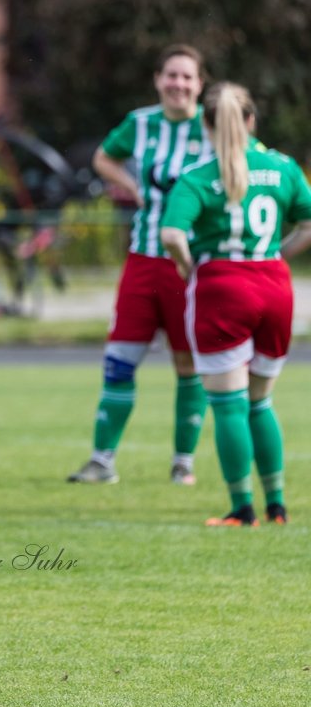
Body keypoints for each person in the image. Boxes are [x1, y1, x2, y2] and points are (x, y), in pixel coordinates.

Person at [160, 83, 311, 526]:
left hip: (222, 286)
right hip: (274, 285)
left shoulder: (198, 175)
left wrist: (186, 264)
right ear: (251, 121)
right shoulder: (281, 166)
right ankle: (277, 506)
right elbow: (308, 222)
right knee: (260, 403)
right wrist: (279, 252)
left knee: (228, 405)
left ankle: (241, 509)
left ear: (206, 126)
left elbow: (171, 234)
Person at [68, 46, 213, 486]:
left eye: (187, 77)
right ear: (158, 79)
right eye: (172, 75)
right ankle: (101, 460)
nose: (179, 84)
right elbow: (102, 157)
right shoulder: (141, 123)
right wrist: (130, 184)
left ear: (200, 85)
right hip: (143, 259)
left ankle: (183, 462)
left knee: (189, 365)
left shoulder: (212, 126)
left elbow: (246, 159)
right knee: (120, 360)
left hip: (191, 265)